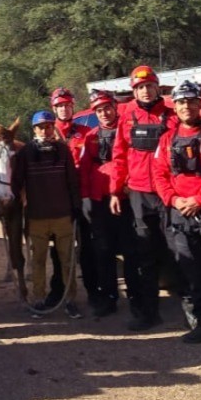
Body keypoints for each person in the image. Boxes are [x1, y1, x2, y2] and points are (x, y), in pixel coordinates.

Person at [152, 80, 201, 343]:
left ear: (200, 104)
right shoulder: (166, 139)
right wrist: (174, 200)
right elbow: (159, 174)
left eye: (191, 101)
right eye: (181, 102)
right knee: (192, 273)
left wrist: (200, 198)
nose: (186, 106)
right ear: (175, 106)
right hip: (180, 214)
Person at [110, 65, 175, 329]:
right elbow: (119, 156)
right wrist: (115, 190)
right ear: (134, 91)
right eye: (140, 88)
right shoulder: (126, 118)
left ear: (157, 87)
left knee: (179, 250)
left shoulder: (172, 116)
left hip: (169, 194)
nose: (146, 91)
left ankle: (196, 313)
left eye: (149, 86)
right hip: (139, 194)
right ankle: (149, 312)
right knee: (144, 254)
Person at [12, 111, 82, 319]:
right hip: (37, 217)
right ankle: (39, 299)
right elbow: (16, 182)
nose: (45, 130)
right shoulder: (25, 153)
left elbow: (72, 182)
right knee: (38, 261)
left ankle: (70, 300)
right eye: (41, 127)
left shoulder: (63, 150)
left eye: (49, 126)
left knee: (67, 260)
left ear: (53, 128)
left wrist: (76, 207)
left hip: (62, 215)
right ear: (34, 129)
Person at [79, 90, 137, 319]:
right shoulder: (90, 136)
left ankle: (136, 296)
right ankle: (109, 297)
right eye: (99, 110)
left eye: (107, 108)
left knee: (131, 251)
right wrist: (85, 197)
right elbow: (84, 169)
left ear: (115, 108)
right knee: (103, 252)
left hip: (124, 199)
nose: (104, 113)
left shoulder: (129, 132)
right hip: (99, 201)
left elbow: (134, 162)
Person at [48, 87, 99, 307]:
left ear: (72, 107)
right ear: (54, 108)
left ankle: (93, 291)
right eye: (59, 106)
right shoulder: (47, 134)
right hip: (58, 200)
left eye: (67, 105)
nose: (64, 109)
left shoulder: (86, 133)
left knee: (88, 247)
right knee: (57, 248)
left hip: (83, 196)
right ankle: (57, 290)